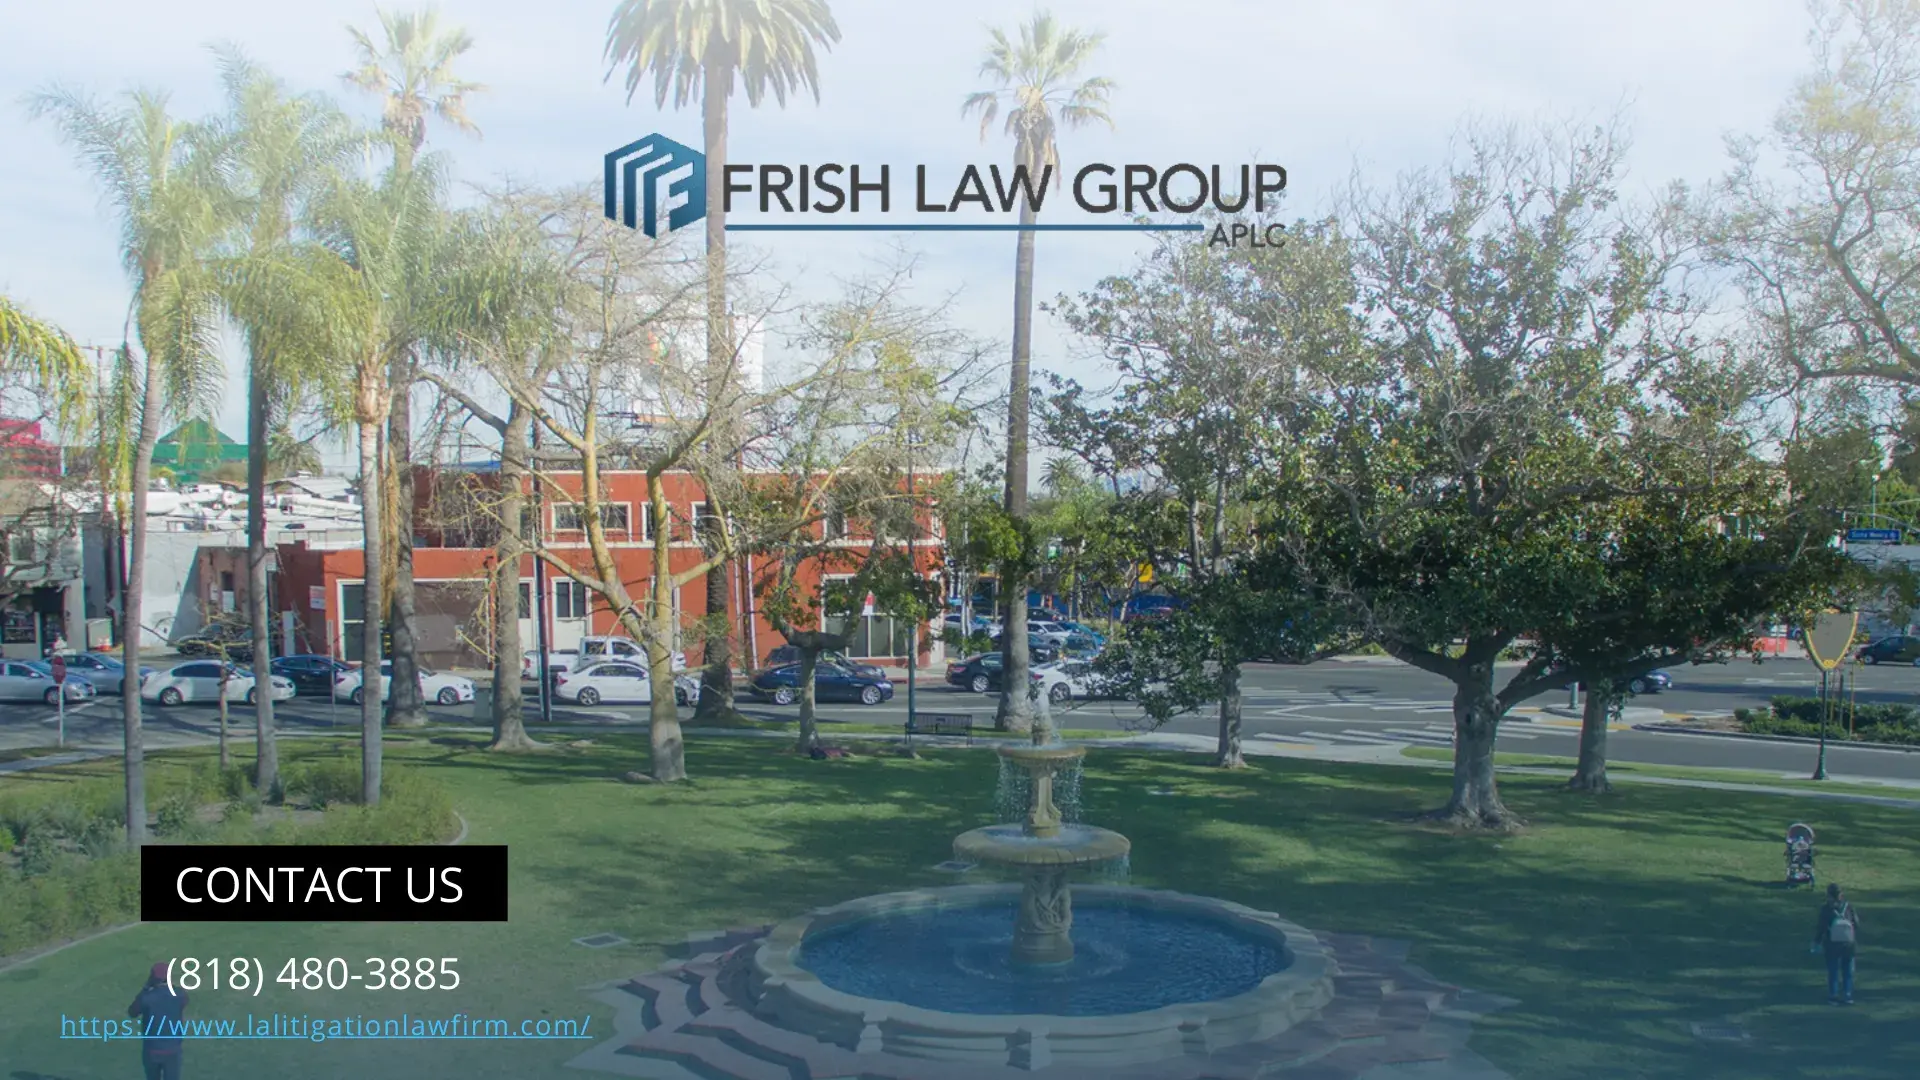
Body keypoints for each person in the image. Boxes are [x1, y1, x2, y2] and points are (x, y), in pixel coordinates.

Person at [127, 961, 188, 1079]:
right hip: (173, 1049)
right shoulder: (179, 994)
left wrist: (145, 988)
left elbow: (132, 1012)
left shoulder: (147, 998)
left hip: (152, 1050)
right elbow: (184, 1001)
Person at [1812, 883, 1860, 1005]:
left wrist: (1816, 942)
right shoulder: (1849, 907)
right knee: (1847, 971)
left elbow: (1821, 928)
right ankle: (1847, 995)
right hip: (1848, 944)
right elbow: (1856, 924)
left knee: (1833, 971)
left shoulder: (1826, 909)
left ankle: (1833, 995)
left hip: (1832, 944)